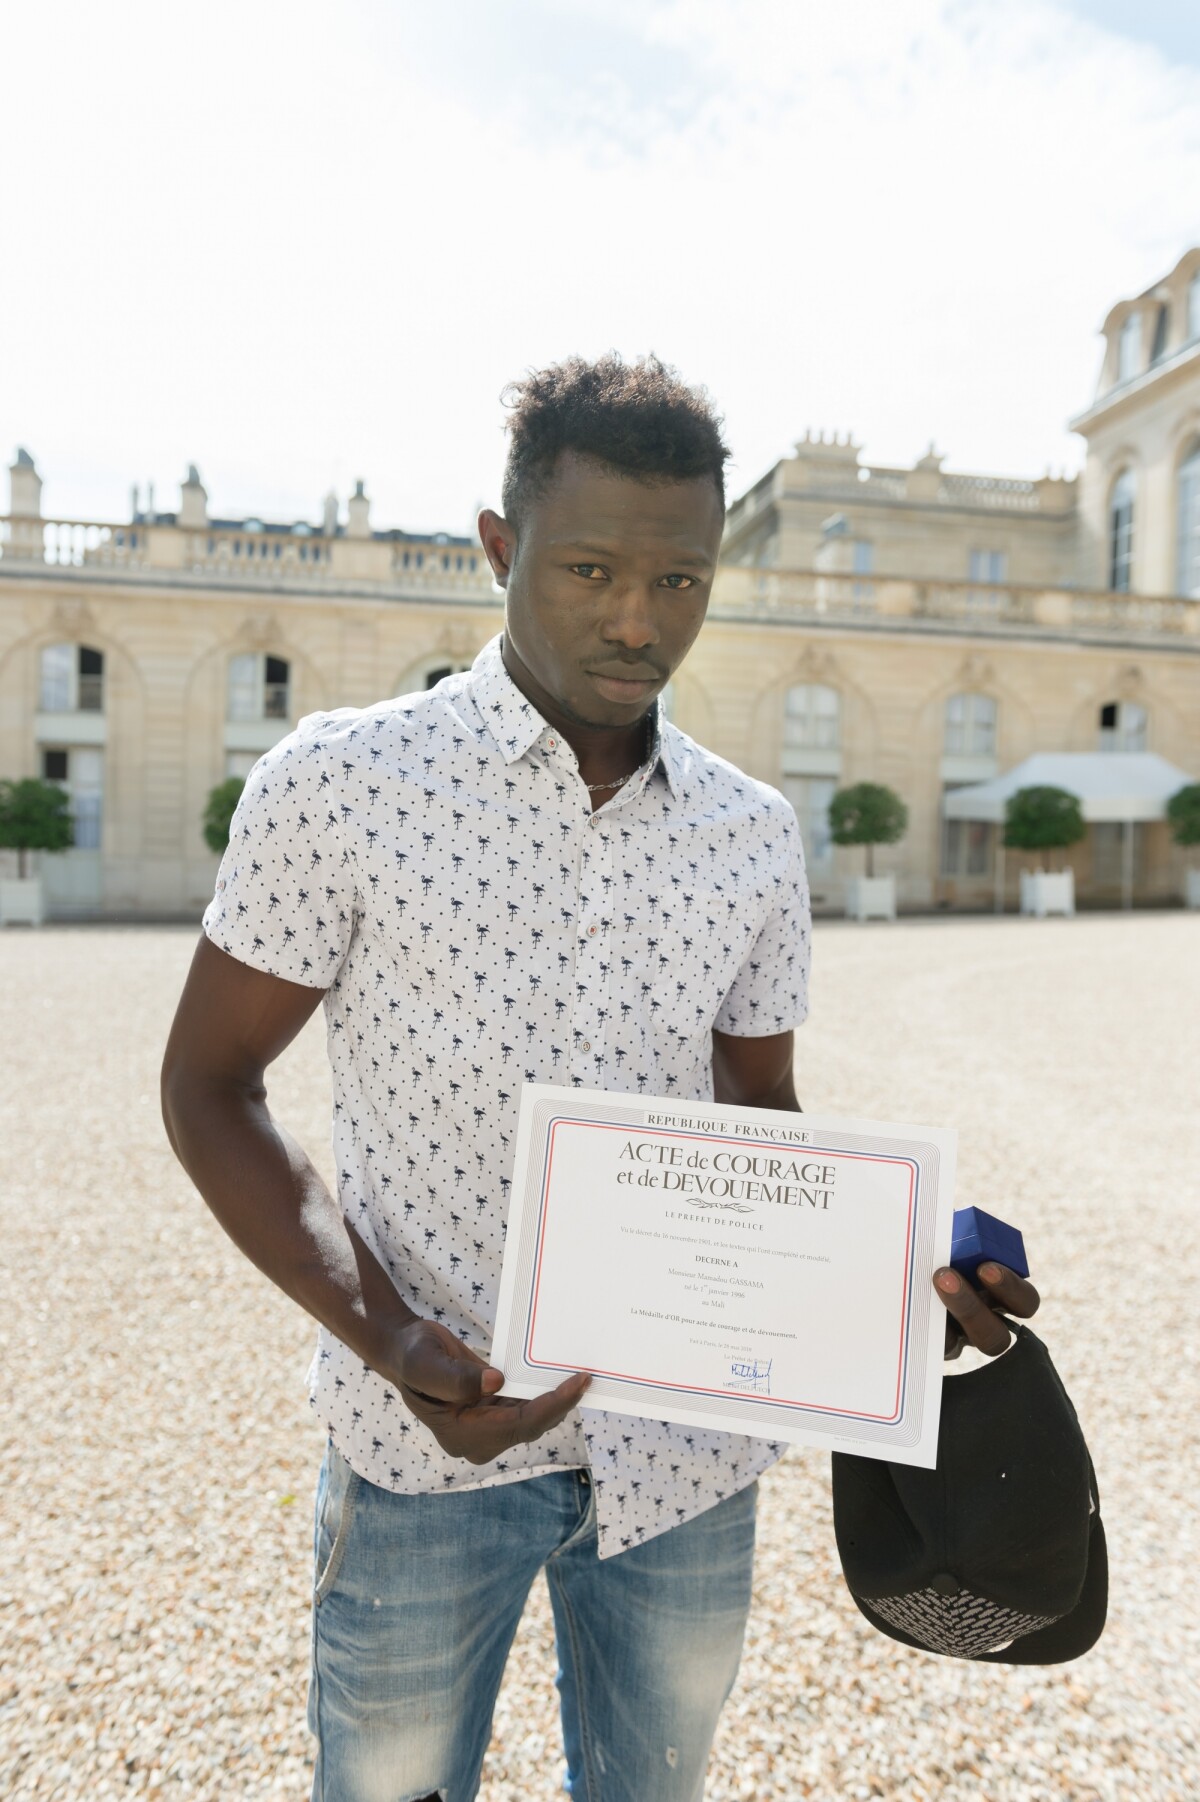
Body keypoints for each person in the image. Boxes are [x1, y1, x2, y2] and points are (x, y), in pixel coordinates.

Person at [161, 354, 1037, 1802]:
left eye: (682, 582)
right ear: (498, 549)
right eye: (588, 569)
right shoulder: (340, 784)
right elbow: (208, 1084)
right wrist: (390, 1336)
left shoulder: (753, 834)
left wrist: (894, 1276)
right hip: (422, 1449)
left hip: (689, 1462)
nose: (640, 621)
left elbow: (760, 1117)